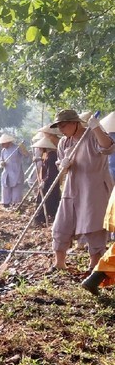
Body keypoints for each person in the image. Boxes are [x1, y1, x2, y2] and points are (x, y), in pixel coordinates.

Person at [48, 109, 115, 272]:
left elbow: (108, 147)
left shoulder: (92, 135)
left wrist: (97, 128)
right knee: (61, 224)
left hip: (94, 188)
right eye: (59, 127)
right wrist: (63, 165)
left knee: (94, 226)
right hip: (72, 187)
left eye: (63, 125)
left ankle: (94, 265)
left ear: (74, 123)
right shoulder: (64, 142)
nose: (61, 130)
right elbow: (61, 167)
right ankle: (59, 263)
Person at [32, 136, 60, 226]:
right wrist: (39, 159)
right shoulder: (48, 155)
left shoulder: (52, 156)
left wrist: (44, 182)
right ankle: (44, 219)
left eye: (41, 147)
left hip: (50, 183)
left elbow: (51, 172)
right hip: (48, 182)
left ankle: (40, 219)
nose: (39, 149)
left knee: (44, 200)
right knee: (47, 201)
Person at [0, 133, 25, 207]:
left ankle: (16, 204)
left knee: (16, 190)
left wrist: (22, 147)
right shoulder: (3, 150)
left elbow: (26, 155)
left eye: (3, 143)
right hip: (7, 173)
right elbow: (1, 160)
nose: (2, 145)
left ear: (8, 142)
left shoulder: (17, 148)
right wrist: (2, 163)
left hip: (17, 172)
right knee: (6, 189)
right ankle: (6, 203)